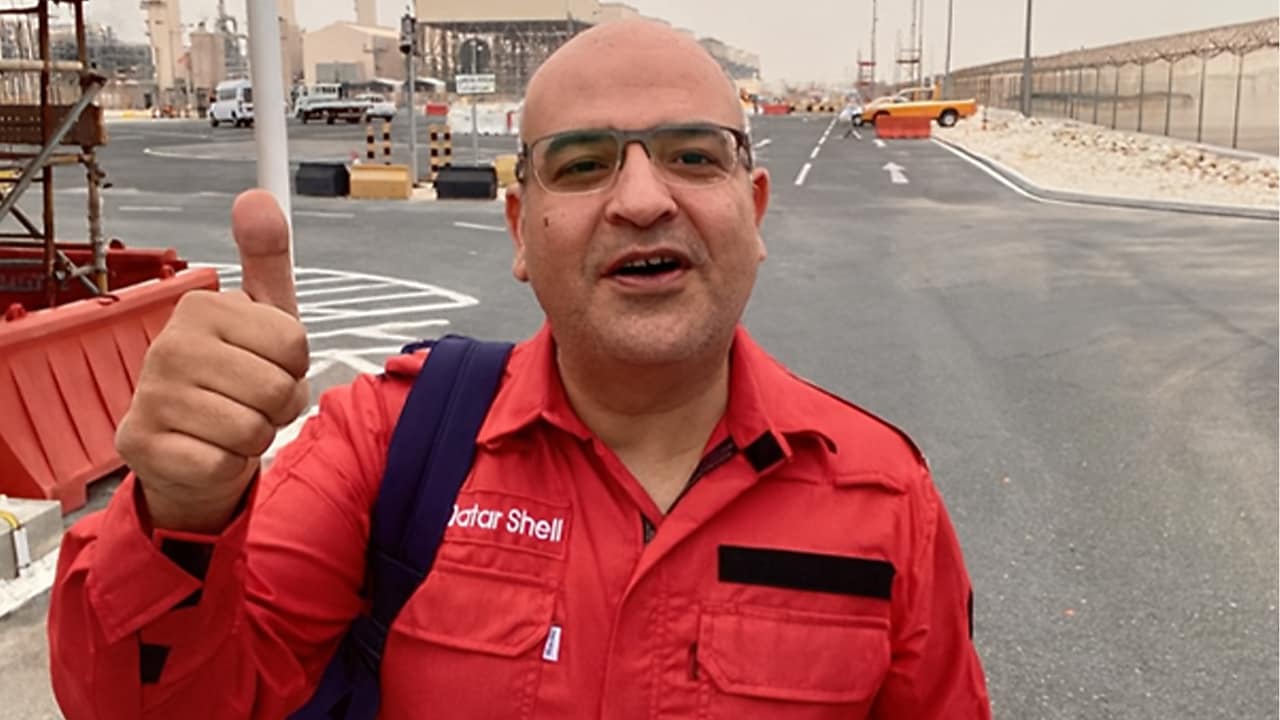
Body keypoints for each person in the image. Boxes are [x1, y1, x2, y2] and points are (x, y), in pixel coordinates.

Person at [47, 20, 990, 720]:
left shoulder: (881, 496)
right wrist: (178, 516)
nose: (642, 199)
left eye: (691, 157)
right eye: (582, 167)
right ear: (519, 234)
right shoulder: (391, 446)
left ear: (753, 212)